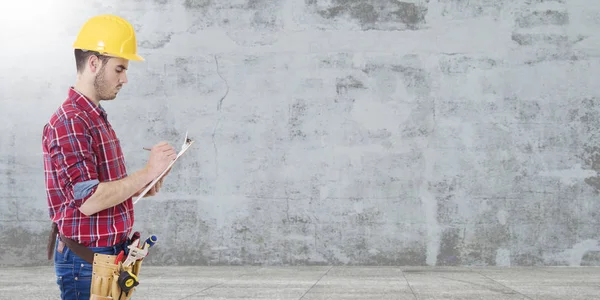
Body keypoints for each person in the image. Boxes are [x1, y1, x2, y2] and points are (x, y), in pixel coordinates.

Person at [42, 14, 176, 299]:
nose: (124, 79)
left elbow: (104, 188)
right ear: (94, 63)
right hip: (86, 264)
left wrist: (142, 187)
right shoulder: (70, 122)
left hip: (107, 259)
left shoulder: (94, 117)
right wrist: (148, 172)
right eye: (119, 69)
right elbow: (89, 201)